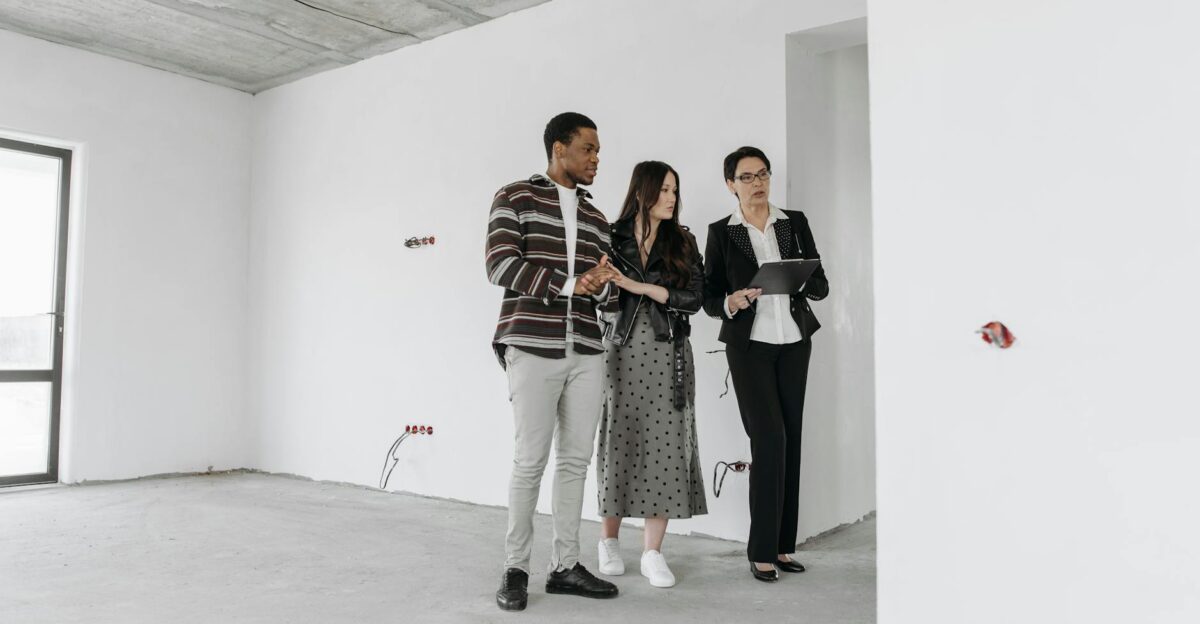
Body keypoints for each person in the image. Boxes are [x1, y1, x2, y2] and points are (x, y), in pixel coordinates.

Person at [485, 112, 621, 611]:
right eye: (588, 149)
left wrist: (603, 290)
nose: (596, 159)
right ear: (559, 148)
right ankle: (516, 568)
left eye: (599, 151)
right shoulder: (515, 196)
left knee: (575, 463)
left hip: (586, 349)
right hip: (532, 344)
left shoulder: (597, 218)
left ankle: (565, 565)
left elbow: (601, 293)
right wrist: (568, 284)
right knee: (529, 461)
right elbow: (499, 263)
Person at [701, 146, 829, 583]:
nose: (758, 183)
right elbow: (708, 297)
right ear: (731, 185)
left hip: (794, 343)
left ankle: (782, 546)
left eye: (763, 175)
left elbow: (821, 284)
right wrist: (730, 301)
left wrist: (801, 275)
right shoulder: (722, 232)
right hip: (749, 347)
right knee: (769, 439)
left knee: (790, 439)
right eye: (747, 177)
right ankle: (760, 550)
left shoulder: (794, 223)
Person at [594, 161, 707, 589]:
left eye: (675, 190)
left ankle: (652, 551)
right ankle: (608, 542)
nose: (671, 198)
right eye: (663, 189)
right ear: (642, 190)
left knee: (665, 445)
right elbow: (599, 293)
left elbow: (694, 298)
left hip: (668, 352)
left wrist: (640, 287)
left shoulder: (682, 241)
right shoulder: (611, 235)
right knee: (618, 441)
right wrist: (609, 286)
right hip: (620, 350)